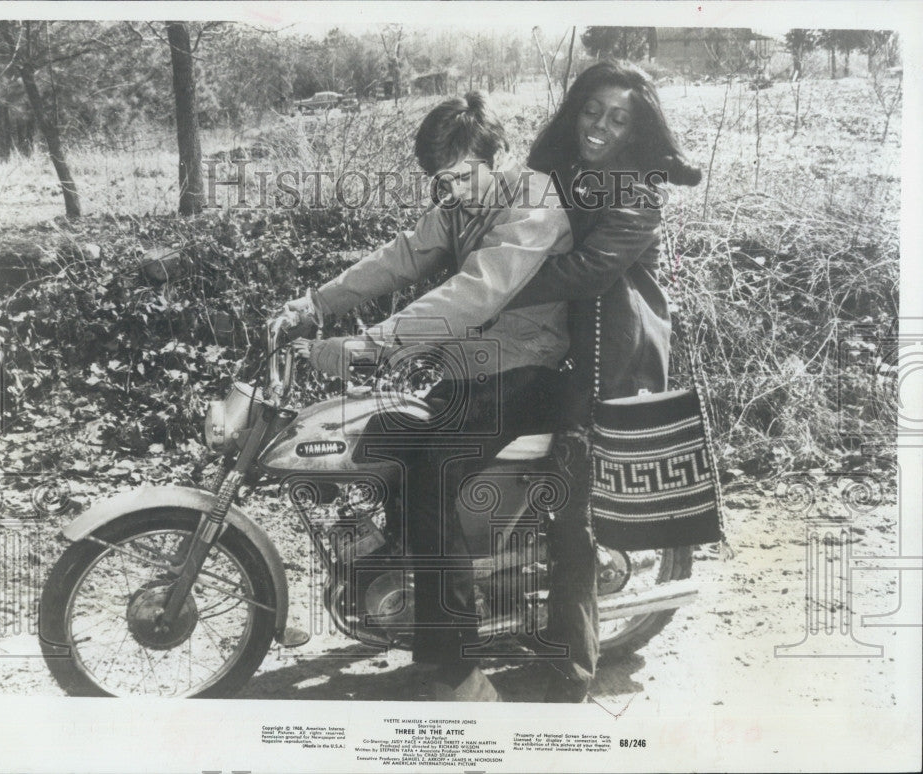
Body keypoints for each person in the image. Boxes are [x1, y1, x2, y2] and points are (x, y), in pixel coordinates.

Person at [281, 92, 574, 701]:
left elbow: (475, 293)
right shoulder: (457, 203)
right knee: (382, 438)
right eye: (440, 179)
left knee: (433, 472)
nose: (451, 189)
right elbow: (402, 257)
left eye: (462, 175)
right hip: (475, 372)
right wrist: (315, 303)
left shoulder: (535, 201)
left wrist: (371, 342)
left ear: (500, 156)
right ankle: (405, 596)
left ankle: (458, 666)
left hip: (528, 371)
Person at [505, 61, 703, 701]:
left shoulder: (641, 190)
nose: (600, 126)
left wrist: (487, 292)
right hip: (554, 347)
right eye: (592, 110)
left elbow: (585, 272)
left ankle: (572, 670)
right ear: (575, 109)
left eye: (619, 118)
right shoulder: (560, 171)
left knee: (571, 506)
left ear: (637, 128)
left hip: (610, 356)